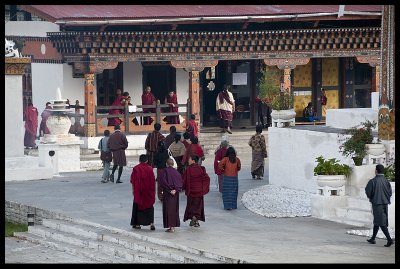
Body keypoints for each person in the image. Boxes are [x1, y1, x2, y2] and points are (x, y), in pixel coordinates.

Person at [365, 164, 393, 247]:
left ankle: (389, 240)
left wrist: (372, 198)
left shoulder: (373, 181)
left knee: (381, 222)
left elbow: (368, 192)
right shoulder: (386, 181)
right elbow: (390, 192)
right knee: (377, 221)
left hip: (377, 204)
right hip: (385, 203)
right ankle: (373, 238)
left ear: (376, 171)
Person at [182, 155, 210, 228]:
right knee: (198, 206)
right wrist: (203, 188)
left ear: (193, 161)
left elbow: (184, 180)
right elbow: (206, 178)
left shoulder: (188, 169)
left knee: (191, 206)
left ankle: (193, 218)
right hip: (199, 191)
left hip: (191, 191)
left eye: (189, 159)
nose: (188, 161)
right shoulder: (201, 169)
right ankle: (196, 220)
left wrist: (182, 187)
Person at [130, 154, 156, 231]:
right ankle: (151, 223)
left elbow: (132, 180)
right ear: (147, 160)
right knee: (150, 206)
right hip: (148, 192)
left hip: (139, 192)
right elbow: (153, 181)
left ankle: (137, 224)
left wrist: (133, 190)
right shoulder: (150, 169)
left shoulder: (136, 169)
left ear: (139, 160)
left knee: (138, 206)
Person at [158, 158, 183, 233]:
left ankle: (170, 227)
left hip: (167, 194)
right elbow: (180, 183)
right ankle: (173, 227)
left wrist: (169, 190)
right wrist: (176, 190)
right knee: (174, 210)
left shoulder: (164, 172)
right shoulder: (177, 173)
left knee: (168, 210)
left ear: (166, 164)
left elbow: (162, 182)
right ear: (172, 164)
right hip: (175, 195)